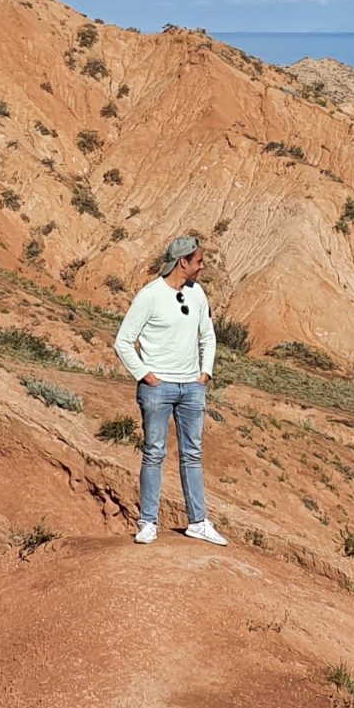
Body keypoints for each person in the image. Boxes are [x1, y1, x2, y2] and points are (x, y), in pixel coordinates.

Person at [112, 234, 227, 546]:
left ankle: (198, 522)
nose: (202, 267)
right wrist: (145, 375)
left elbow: (209, 335)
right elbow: (123, 341)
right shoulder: (149, 296)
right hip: (157, 389)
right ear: (183, 262)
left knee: (193, 454)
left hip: (192, 387)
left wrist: (205, 372)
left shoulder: (197, 294)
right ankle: (148, 522)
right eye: (199, 261)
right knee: (154, 453)